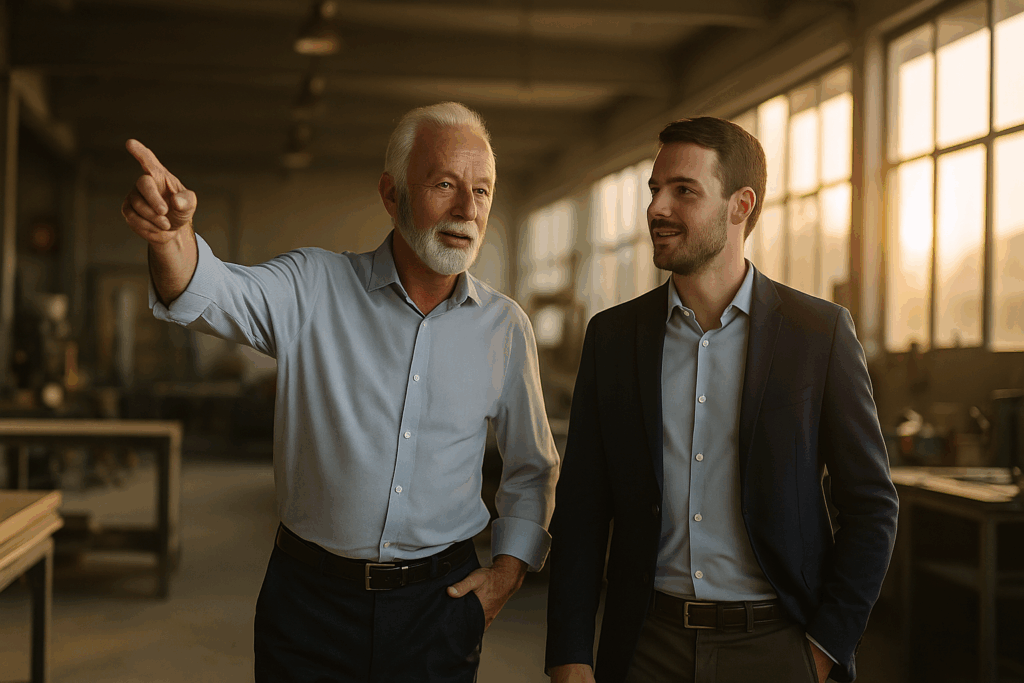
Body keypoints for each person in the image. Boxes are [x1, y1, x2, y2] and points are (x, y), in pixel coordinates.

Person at [121, 101, 559, 683]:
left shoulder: (505, 328)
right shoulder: (313, 286)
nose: (466, 208)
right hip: (310, 604)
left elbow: (532, 466)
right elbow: (212, 290)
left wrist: (507, 573)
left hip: (440, 604)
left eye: (482, 191)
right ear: (391, 194)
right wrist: (172, 238)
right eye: (444, 184)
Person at [544, 117, 898, 683]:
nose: (657, 208)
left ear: (741, 205)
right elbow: (582, 506)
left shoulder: (818, 334)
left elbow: (872, 506)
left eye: (683, 190)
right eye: (655, 190)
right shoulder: (613, 338)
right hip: (646, 647)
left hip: (777, 647)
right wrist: (570, 654)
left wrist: (823, 651)